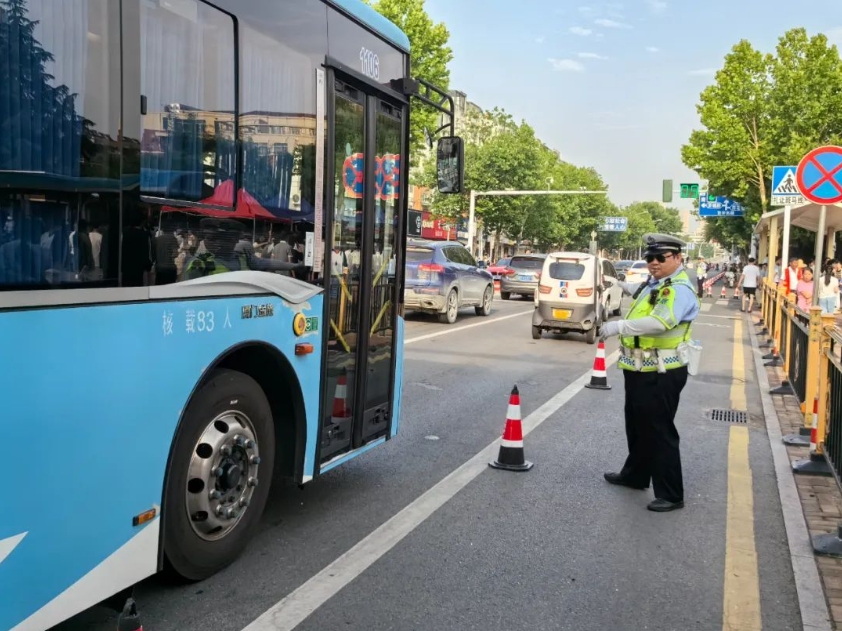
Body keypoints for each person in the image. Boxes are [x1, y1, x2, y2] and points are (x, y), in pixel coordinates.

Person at [598, 233, 701, 513]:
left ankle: (671, 494)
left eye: (660, 258)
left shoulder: (677, 289)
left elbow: (660, 321)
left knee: (659, 430)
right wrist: (618, 283)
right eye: (649, 258)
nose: (653, 263)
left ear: (677, 258)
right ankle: (635, 474)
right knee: (637, 424)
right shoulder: (656, 283)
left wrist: (617, 327)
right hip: (641, 368)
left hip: (662, 371)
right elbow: (640, 292)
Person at [183, 217, 304, 279]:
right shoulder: (199, 264)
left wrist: (294, 266)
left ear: (235, 240)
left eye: (227, 239)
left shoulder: (243, 258)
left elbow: (267, 263)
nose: (218, 243)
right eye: (212, 238)